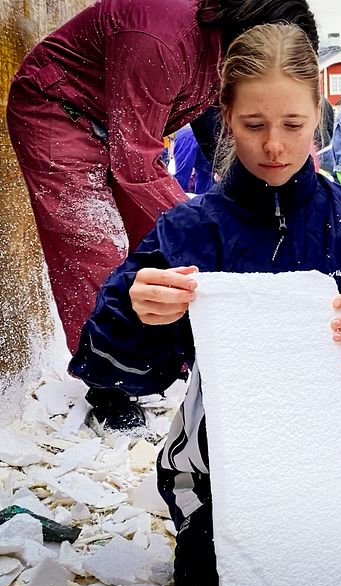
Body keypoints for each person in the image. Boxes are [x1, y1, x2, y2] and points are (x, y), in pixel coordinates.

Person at [69, 23, 341, 586]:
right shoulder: (189, 231)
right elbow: (105, 368)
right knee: (217, 583)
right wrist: (137, 315)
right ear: (226, 117)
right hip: (229, 449)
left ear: (317, 117)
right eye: (254, 125)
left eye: (293, 125)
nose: (274, 145)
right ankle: (211, 539)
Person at [6, 0, 318, 430]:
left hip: (129, 129)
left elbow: (221, 135)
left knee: (157, 245)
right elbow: (136, 163)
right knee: (96, 246)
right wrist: (212, 227)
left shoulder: (224, 55)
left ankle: (169, 350)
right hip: (62, 112)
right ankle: (108, 382)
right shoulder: (160, 39)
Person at [173, 125, 213, 195]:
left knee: (182, 177)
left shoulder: (185, 137)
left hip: (188, 138)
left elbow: (183, 171)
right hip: (209, 164)